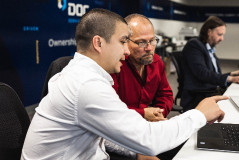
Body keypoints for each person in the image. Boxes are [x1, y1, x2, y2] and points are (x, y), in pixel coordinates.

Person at [21, 9, 227, 160]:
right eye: (122, 41)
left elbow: (104, 129)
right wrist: (199, 114)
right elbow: (148, 139)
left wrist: (137, 154)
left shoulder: (79, 73)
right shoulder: (86, 86)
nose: (127, 51)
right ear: (98, 43)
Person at [181, 16, 239, 112]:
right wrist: (229, 78)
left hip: (210, 92)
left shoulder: (209, 47)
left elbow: (213, 74)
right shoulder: (194, 45)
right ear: (209, 32)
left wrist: (232, 74)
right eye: (219, 34)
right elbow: (202, 73)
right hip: (199, 96)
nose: (222, 39)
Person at [111, 14, 173, 122]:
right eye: (141, 42)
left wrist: (157, 114)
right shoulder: (115, 66)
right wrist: (143, 114)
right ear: (125, 41)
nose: (149, 48)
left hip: (149, 126)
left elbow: (165, 95)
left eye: (152, 40)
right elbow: (111, 110)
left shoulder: (157, 62)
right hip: (120, 127)